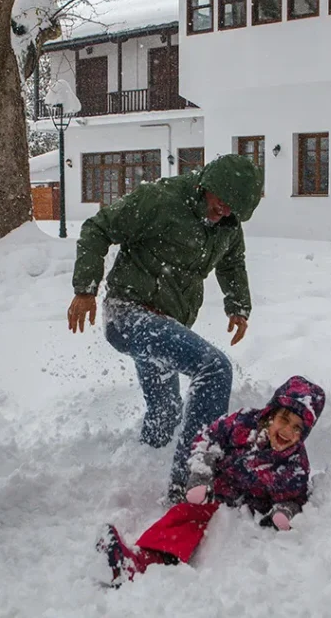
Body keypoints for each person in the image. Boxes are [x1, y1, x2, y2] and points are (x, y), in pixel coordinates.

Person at [67, 154, 264, 500]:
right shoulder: (159, 200)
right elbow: (97, 228)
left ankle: (146, 462)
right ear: (207, 187)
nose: (225, 214)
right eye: (221, 204)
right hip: (128, 314)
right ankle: (191, 481)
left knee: (167, 411)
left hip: (168, 324)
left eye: (233, 210)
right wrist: (85, 290)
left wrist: (239, 307)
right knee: (213, 368)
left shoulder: (228, 225)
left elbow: (233, 264)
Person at [95, 376, 325, 586]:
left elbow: (295, 498)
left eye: (297, 428)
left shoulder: (294, 465)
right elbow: (207, 439)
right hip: (214, 489)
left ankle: (150, 565)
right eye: (284, 419)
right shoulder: (244, 423)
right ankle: (141, 561)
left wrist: (283, 512)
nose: (287, 431)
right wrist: (201, 476)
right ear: (271, 413)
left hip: (247, 512)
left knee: (211, 528)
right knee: (186, 515)